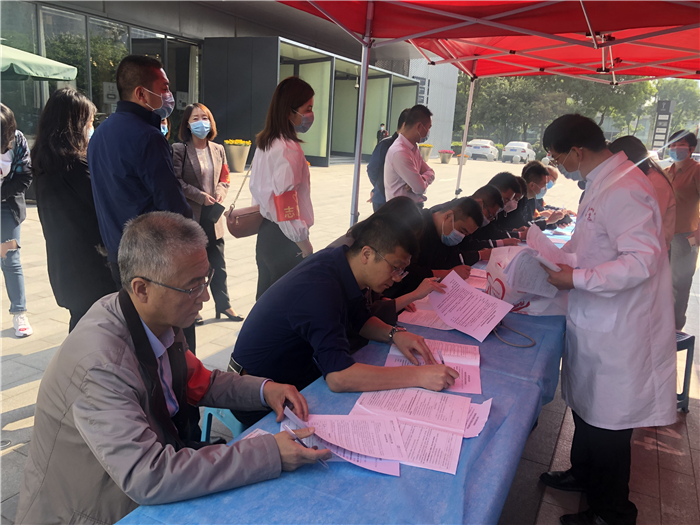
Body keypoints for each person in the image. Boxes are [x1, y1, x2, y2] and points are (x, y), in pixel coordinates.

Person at [14, 211, 330, 525]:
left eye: (206, 279)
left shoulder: (154, 318)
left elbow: (199, 380)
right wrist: (268, 453)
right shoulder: (101, 367)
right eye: (192, 287)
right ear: (142, 288)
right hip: (92, 512)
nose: (205, 296)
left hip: (138, 489)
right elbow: (148, 475)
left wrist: (264, 389)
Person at [539, 114, 676, 525]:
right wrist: (555, 257)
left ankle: (612, 513)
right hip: (595, 318)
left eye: (557, 157)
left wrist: (576, 278)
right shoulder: (602, 182)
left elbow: (641, 260)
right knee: (586, 411)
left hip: (620, 330)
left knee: (609, 427)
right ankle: (582, 474)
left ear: (577, 151)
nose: (559, 165)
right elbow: (592, 245)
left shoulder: (625, 189)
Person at [230, 213, 460, 425]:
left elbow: (361, 319)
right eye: (395, 268)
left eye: (402, 271)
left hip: (297, 374)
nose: (398, 278)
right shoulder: (320, 289)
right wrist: (419, 376)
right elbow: (339, 377)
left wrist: (395, 334)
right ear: (367, 254)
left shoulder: (341, 262)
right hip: (257, 392)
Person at [88, 54, 192, 283]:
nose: (169, 95)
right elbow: (171, 202)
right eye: (164, 88)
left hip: (117, 253)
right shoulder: (148, 137)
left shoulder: (99, 134)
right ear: (141, 94)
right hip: (152, 257)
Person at [31, 88, 117, 332]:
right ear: (75, 125)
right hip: (93, 268)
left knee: (81, 327)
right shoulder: (77, 166)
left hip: (65, 266)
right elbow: (107, 206)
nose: (92, 128)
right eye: (89, 122)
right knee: (97, 334)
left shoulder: (43, 163)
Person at [173, 103, 243, 323]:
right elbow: (176, 181)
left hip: (213, 216)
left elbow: (225, 177)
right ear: (187, 124)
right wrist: (200, 196)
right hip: (192, 215)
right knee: (193, 266)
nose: (201, 122)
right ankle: (193, 308)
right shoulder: (180, 149)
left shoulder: (218, 149)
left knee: (218, 263)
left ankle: (224, 305)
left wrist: (220, 192)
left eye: (204, 118)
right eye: (195, 119)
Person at [250, 76, 315, 300]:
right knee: (284, 304)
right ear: (289, 112)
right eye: (307, 109)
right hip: (285, 241)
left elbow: (259, 190)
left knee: (264, 300)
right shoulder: (288, 149)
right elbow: (286, 204)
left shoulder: (266, 142)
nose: (311, 115)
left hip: (266, 234)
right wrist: (305, 246)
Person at [384, 196, 483, 299]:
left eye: (466, 235)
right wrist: (447, 273)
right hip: (399, 294)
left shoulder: (447, 234)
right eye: (462, 231)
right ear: (448, 216)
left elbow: (449, 259)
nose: (461, 237)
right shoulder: (416, 227)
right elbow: (407, 270)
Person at [609, 135, 676, 251]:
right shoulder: (637, 177)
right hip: (638, 247)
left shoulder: (655, 182)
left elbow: (649, 223)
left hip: (651, 249)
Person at [1, 103, 33, 337]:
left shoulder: (18, 140)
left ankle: (19, 312)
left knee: (10, 257)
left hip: (6, 206)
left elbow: (24, 177)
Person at [665, 129, 700, 330]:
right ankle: (663, 323)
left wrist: (698, 233)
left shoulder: (696, 171)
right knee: (663, 282)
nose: (675, 148)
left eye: (680, 145)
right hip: (665, 235)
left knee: (680, 283)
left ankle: (676, 327)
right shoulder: (667, 171)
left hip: (686, 236)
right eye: (672, 145)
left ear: (691, 149)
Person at [384, 104, 436, 204]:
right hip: (401, 211)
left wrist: (423, 178)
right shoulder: (400, 152)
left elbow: (430, 172)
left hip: (413, 208)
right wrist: (420, 182)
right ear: (419, 127)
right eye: (428, 128)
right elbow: (420, 188)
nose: (428, 132)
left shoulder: (413, 148)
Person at [367, 108, 410, 211]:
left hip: (403, 201)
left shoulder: (411, 148)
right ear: (404, 126)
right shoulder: (385, 145)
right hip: (383, 200)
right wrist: (380, 186)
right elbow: (372, 169)